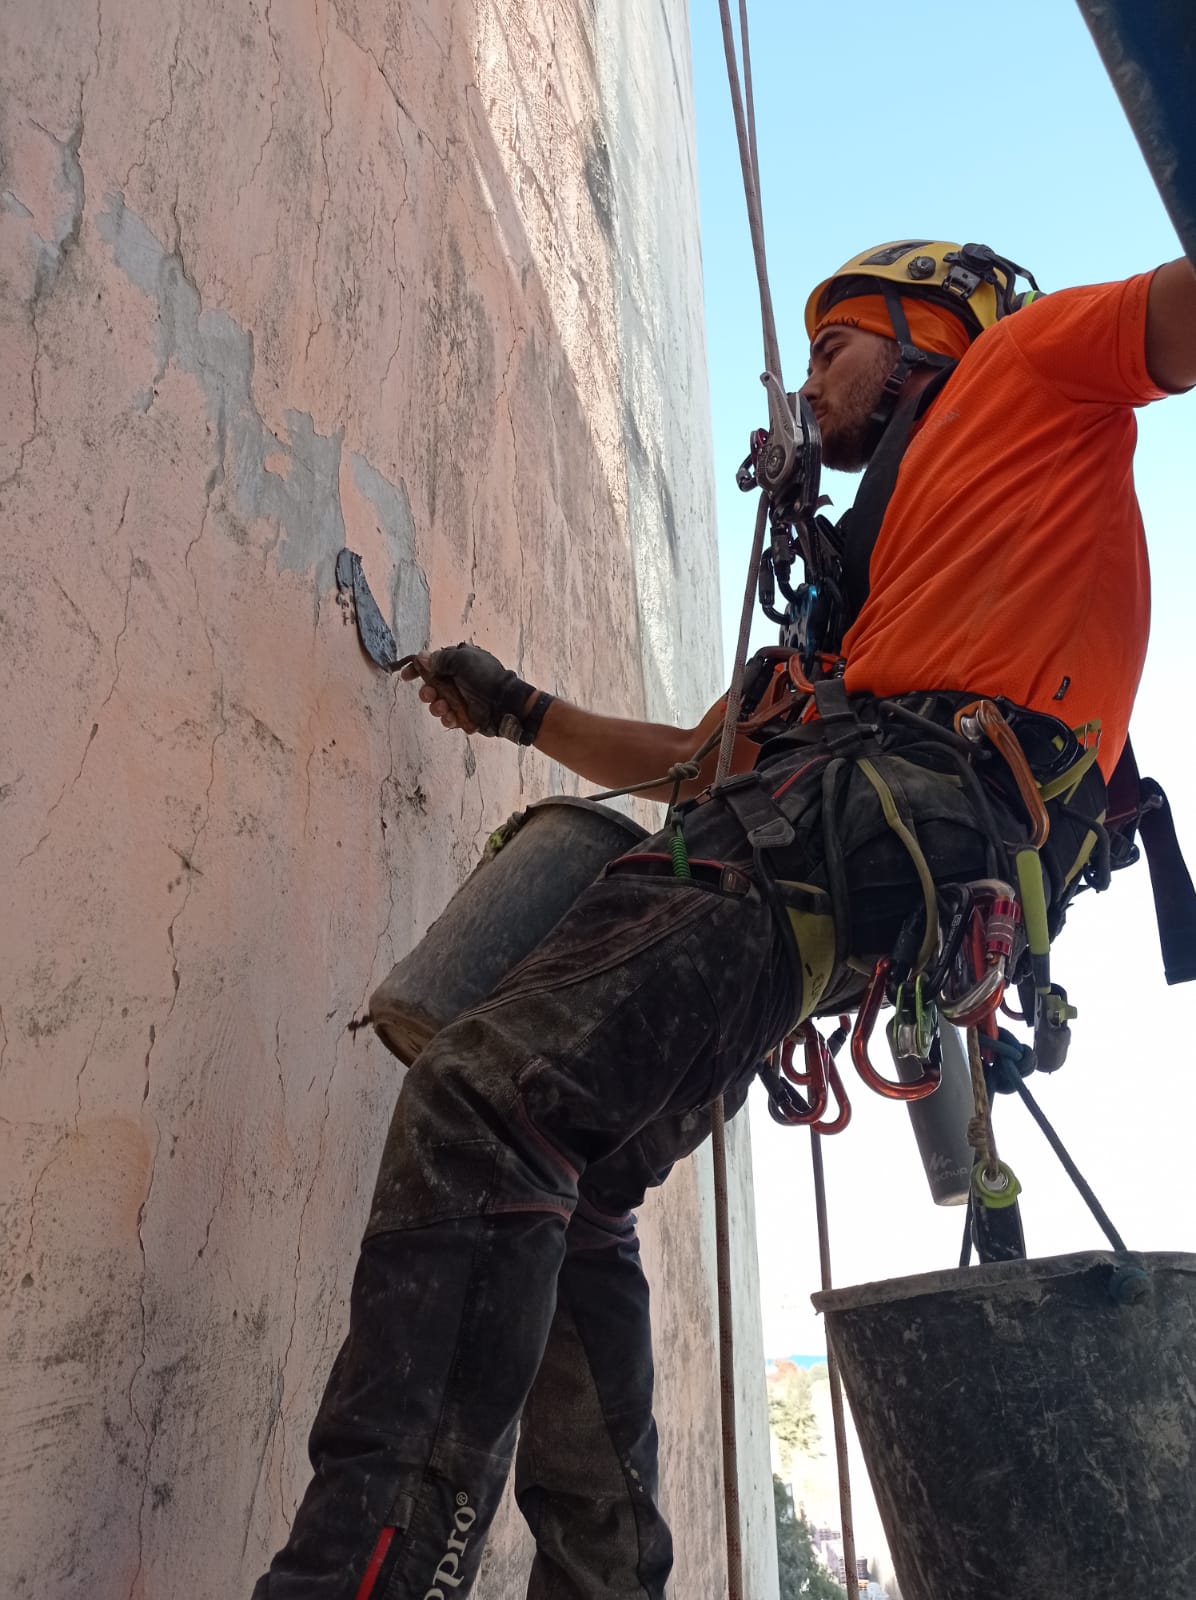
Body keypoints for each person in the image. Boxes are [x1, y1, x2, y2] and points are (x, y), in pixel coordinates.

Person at [253, 242, 1196, 1599]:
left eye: (832, 350)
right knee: (571, 1183)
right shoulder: (871, 608)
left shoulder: (1031, 366)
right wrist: (518, 708)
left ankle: (359, 1575)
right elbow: (702, 765)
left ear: (927, 330)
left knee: (484, 1099)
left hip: (852, 828)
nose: (810, 392)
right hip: (837, 839)